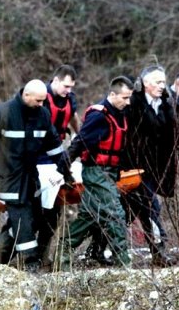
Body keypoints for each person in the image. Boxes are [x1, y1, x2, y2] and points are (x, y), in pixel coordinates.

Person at [0, 80, 73, 271]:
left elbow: (54, 147)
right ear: (26, 96)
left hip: (30, 179)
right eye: (38, 100)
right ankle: (31, 264)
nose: (41, 105)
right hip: (7, 181)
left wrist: (65, 173)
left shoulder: (42, 115)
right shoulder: (3, 112)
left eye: (43, 101)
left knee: (35, 217)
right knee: (23, 221)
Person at [122, 65, 179, 267]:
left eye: (163, 81)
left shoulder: (165, 105)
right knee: (151, 207)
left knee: (130, 211)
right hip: (132, 168)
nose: (162, 86)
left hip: (155, 169)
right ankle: (159, 253)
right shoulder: (132, 104)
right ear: (145, 83)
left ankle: (101, 246)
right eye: (158, 82)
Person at [56, 77, 135, 271]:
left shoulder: (121, 113)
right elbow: (80, 142)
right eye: (125, 97)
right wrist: (64, 167)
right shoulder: (99, 116)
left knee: (89, 215)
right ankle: (124, 264)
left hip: (110, 171)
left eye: (129, 98)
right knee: (116, 214)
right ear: (113, 94)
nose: (128, 102)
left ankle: (62, 254)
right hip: (96, 172)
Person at [35, 64, 81, 265]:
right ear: (55, 80)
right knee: (37, 208)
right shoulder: (40, 96)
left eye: (71, 87)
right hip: (38, 156)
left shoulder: (69, 99)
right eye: (65, 86)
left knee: (54, 208)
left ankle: (43, 256)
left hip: (58, 155)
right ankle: (22, 256)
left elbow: (73, 118)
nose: (68, 90)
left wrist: (79, 136)